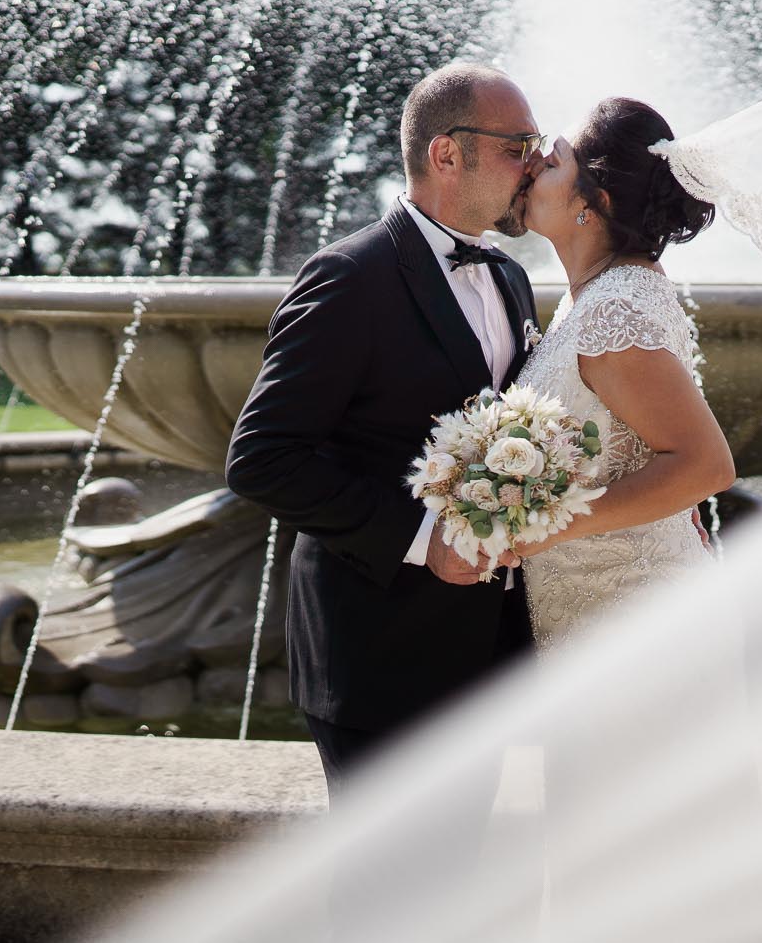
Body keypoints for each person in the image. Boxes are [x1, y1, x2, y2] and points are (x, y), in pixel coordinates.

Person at [225, 61, 548, 794]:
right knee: (386, 901)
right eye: (517, 145)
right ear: (446, 153)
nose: (534, 163)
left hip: (481, 660)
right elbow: (262, 457)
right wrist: (420, 537)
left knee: (455, 892)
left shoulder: (509, 276)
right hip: (376, 657)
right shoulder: (350, 276)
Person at [503, 96, 736, 646]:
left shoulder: (614, 308)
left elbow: (706, 465)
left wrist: (548, 523)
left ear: (595, 202)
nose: (531, 165)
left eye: (552, 161)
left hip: (635, 622)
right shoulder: (600, 297)